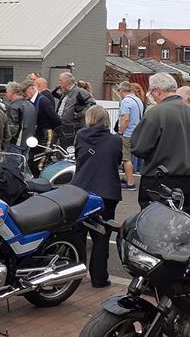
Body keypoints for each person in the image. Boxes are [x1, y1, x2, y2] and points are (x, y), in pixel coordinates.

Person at [71, 106, 122, 288]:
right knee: (101, 237)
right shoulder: (115, 140)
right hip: (106, 191)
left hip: (81, 189)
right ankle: (99, 278)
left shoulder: (80, 136)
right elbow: (117, 161)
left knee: (78, 234)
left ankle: (76, 273)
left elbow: (79, 158)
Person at [131, 73, 190, 212]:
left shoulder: (156, 113)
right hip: (187, 179)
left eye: (152, 92)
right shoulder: (187, 111)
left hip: (160, 180)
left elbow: (139, 147)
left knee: (155, 225)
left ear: (158, 90)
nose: (152, 96)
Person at [55, 72, 95, 147]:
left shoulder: (79, 92)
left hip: (72, 129)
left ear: (67, 81)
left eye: (61, 80)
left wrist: (78, 115)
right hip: (63, 127)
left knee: (68, 150)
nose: (59, 82)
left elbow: (92, 104)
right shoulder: (65, 93)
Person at [118, 81, 144, 191]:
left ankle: (130, 183)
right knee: (133, 157)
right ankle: (129, 178)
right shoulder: (138, 100)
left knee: (126, 158)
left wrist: (120, 132)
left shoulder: (126, 101)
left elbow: (125, 119)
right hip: (137, 132)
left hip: (128, 133)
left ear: (122, 90)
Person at [22, 80, 60, 147]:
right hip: (35, 135)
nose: (24, 94)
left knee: (42, 156)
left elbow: (55, 118)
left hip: (44, 135)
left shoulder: (43, 100)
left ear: (31, 88)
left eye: (24, 91)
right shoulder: (30, 101)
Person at [5, 81, 36, 155]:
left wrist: (5, 139)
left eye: (7, 92)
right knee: (24, 163)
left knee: (13, 165)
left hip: (16, 143)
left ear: (11, 92)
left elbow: (12, 128)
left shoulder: (13, 107)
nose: (6, 95)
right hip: (28, 142)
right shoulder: (31, 105)